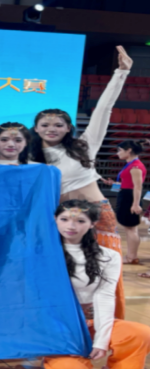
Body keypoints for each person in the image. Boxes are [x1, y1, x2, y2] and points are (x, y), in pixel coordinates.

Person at [30, 45, 132, 319]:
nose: (52, 128)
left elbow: (104, 109)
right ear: (36, 128)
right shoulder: (28, 157)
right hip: (59, 221)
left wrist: (121, 73)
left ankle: (107, 330)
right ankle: (66, 328)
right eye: (45, 124)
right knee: (64, 275)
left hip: (97, 217)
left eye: (59, 124)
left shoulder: (85, 146)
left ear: (68, 128)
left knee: (103, 275)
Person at [44, 200, 150, 369]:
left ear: (92, 223)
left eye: (80, 221)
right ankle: (53, 356)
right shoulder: (40, 255)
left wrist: (101, 341)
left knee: (140, 333)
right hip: (54, 328)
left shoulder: (108, 256)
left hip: (88, 322)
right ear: (55, 219)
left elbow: (105, 298)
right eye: (64, 219)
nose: (71, 226)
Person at [111, 141, 146, 265]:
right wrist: (113, 184)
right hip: (126, 195)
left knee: (130, 229)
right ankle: (131, 256)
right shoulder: (130, 164)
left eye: (120, 150)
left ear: (129, 150)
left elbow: (138, 187)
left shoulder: (135, 166)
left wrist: (135, 204)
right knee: (131, 229)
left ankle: (132, 257)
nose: (117, 153)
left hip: (129, 198)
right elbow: (128, 183)